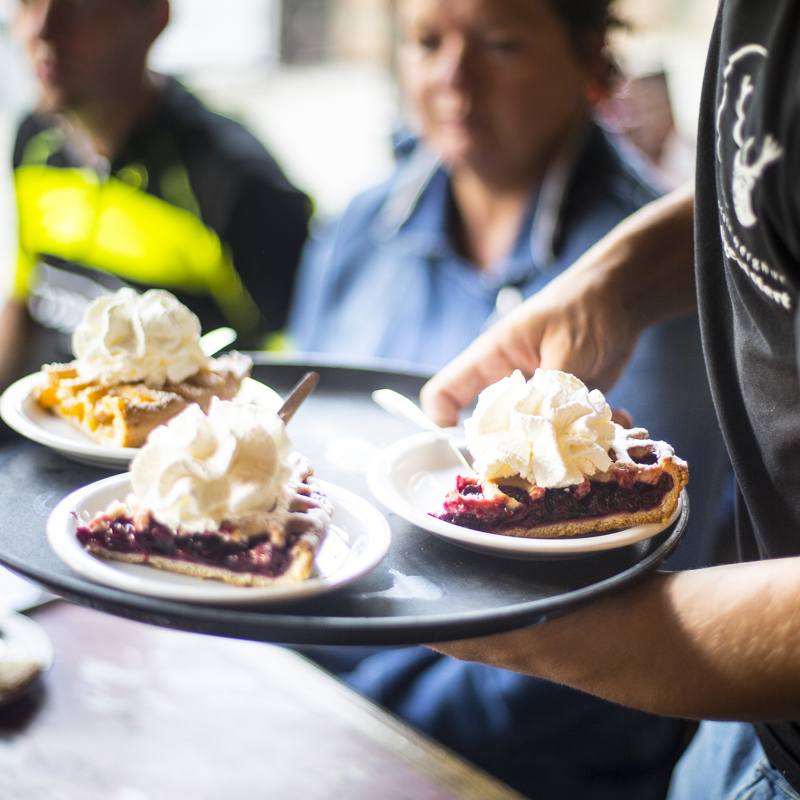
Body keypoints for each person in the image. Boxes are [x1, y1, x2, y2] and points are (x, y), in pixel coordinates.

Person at [289, 0, 731, 797]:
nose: (453, 77)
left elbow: (635, 631)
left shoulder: (669, 293)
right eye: (426, 42)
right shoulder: (357, 233)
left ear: (591, 56)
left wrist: (350, 718)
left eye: (499, 44)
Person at [418, 0, 800, 797]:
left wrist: (557, 635)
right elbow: (770, 185)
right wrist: (620, 281)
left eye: (502, 43)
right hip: (736, 739)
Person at [1, 0, 309, 389]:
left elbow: (290, 377)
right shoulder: (34, 139)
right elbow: (24, 297)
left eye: (76, 7)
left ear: (154, 17)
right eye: (27, 3)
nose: (40, 29)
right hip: (42, 424)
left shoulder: (237, 182)